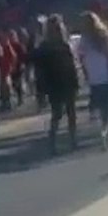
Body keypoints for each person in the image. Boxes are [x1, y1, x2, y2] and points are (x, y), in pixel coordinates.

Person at [31, 14, 80, 154]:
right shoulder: (45, 47)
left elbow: (72, 64)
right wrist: (41, 89)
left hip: (66, 80)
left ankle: (72, 140)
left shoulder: (65, 44)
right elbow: (39, 69)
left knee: (71, 112)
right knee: (58, 113)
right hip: (54, 82)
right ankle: (53, 142)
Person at [76, 12, 108, 149]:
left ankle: (104, 135)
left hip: (95, 79)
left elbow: (80, 58)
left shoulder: (84, 40)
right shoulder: (105, 36)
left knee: (103, 110)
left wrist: (86, 73)